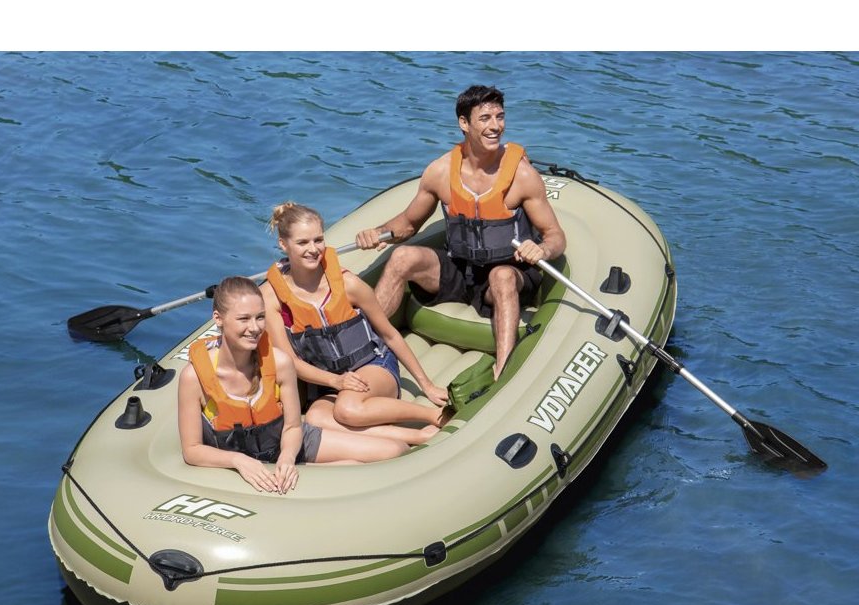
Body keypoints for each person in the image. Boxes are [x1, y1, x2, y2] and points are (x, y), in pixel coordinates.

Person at [355, 84, 567, 378]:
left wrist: (541, 249)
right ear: (464, 123)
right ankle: (360, 348)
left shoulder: (522, 176)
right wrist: (377, 233)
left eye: (500, 117)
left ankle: (504, 370)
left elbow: (556, 236)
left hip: (508, 272)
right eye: (485, 118)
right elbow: (408, 224)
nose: (496, 126)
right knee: (402, 257)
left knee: (501, 276)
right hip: (460, 269)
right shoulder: (440, 172)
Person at [178, 276, 407, 495]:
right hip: (240, 453)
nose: (255, 328)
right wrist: (237, 460)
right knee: (351, 466)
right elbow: (192, 450)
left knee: (394, 450)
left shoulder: (279, 363)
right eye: (244, 319)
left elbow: (293, 427)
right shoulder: (193, 378)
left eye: (260, 317)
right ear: (218, 319)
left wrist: (287, 457)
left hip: (284, 443)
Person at [261, 202, 451, 445]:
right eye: (302, 243)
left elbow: (390, 334)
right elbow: (291, 362)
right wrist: (335, 381)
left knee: (346, 409)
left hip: (373, 364)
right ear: (283, 244)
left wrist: (427, 385)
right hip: (329, 382)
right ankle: (417, 436)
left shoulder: (348, 284)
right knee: (315, 419)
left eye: (318, 240)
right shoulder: (271, 298)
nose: (313, 249)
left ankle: (434, 415)